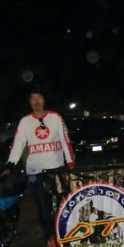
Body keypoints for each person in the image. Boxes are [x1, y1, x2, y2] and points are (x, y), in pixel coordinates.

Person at [8, 91, 75, 238]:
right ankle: (49, 237)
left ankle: (64, 235)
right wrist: (10, 164)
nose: (36, 102)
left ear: (44, 100)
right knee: (43, 206)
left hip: (56, 169)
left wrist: (70, 161)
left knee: (61, 204)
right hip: (36, 171)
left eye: (39, 98)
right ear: (29, 102)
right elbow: (18, 144)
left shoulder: (55, 117)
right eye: (33, 99)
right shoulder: (25, 121)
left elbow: (65, 140)